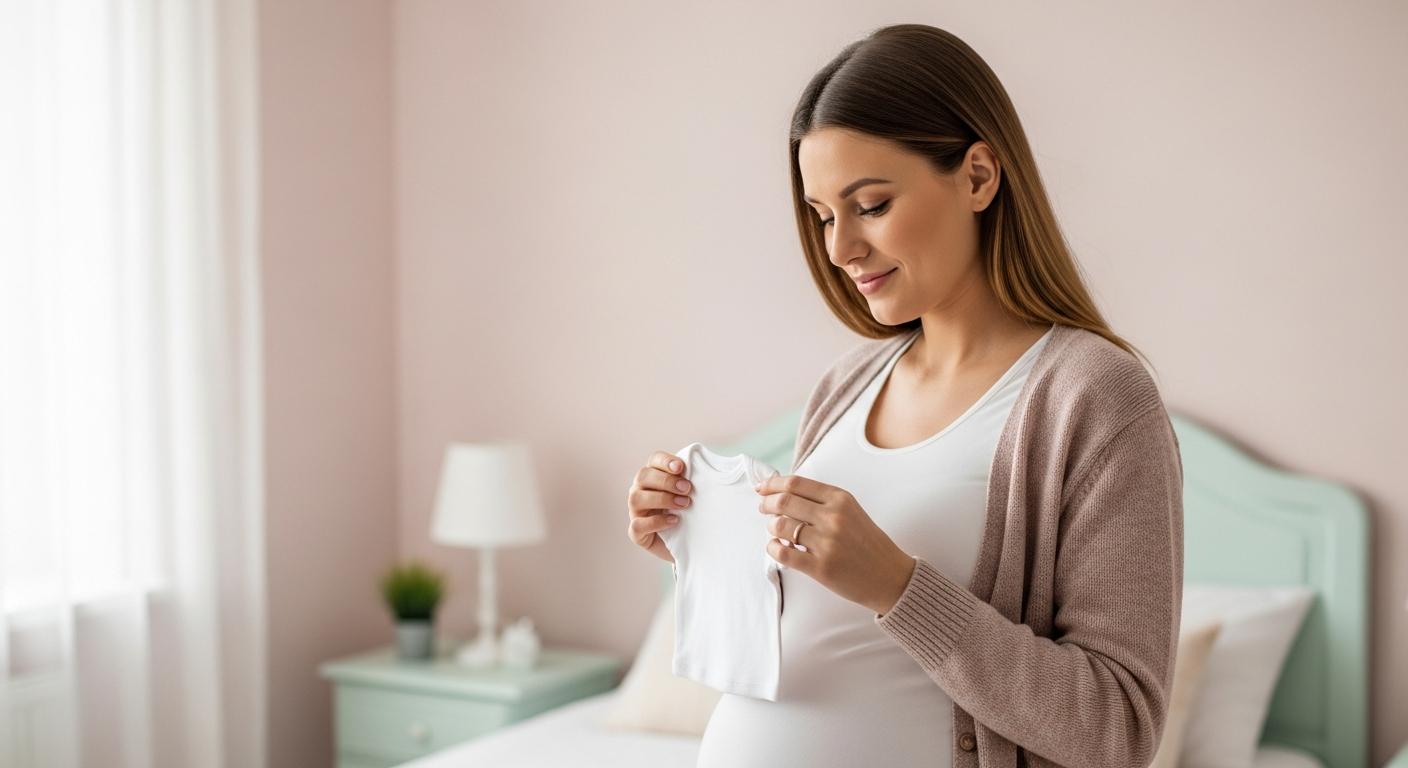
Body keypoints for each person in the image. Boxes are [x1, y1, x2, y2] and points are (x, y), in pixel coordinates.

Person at [625, 22, 1182, 768]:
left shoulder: (1096, 398)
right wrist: (701, 548)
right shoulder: (846, 384)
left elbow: (1119, 728)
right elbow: (820, 635)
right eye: (824, 215)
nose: (839, 248)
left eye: (872, 205)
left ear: (978, 177)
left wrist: (898, 586)